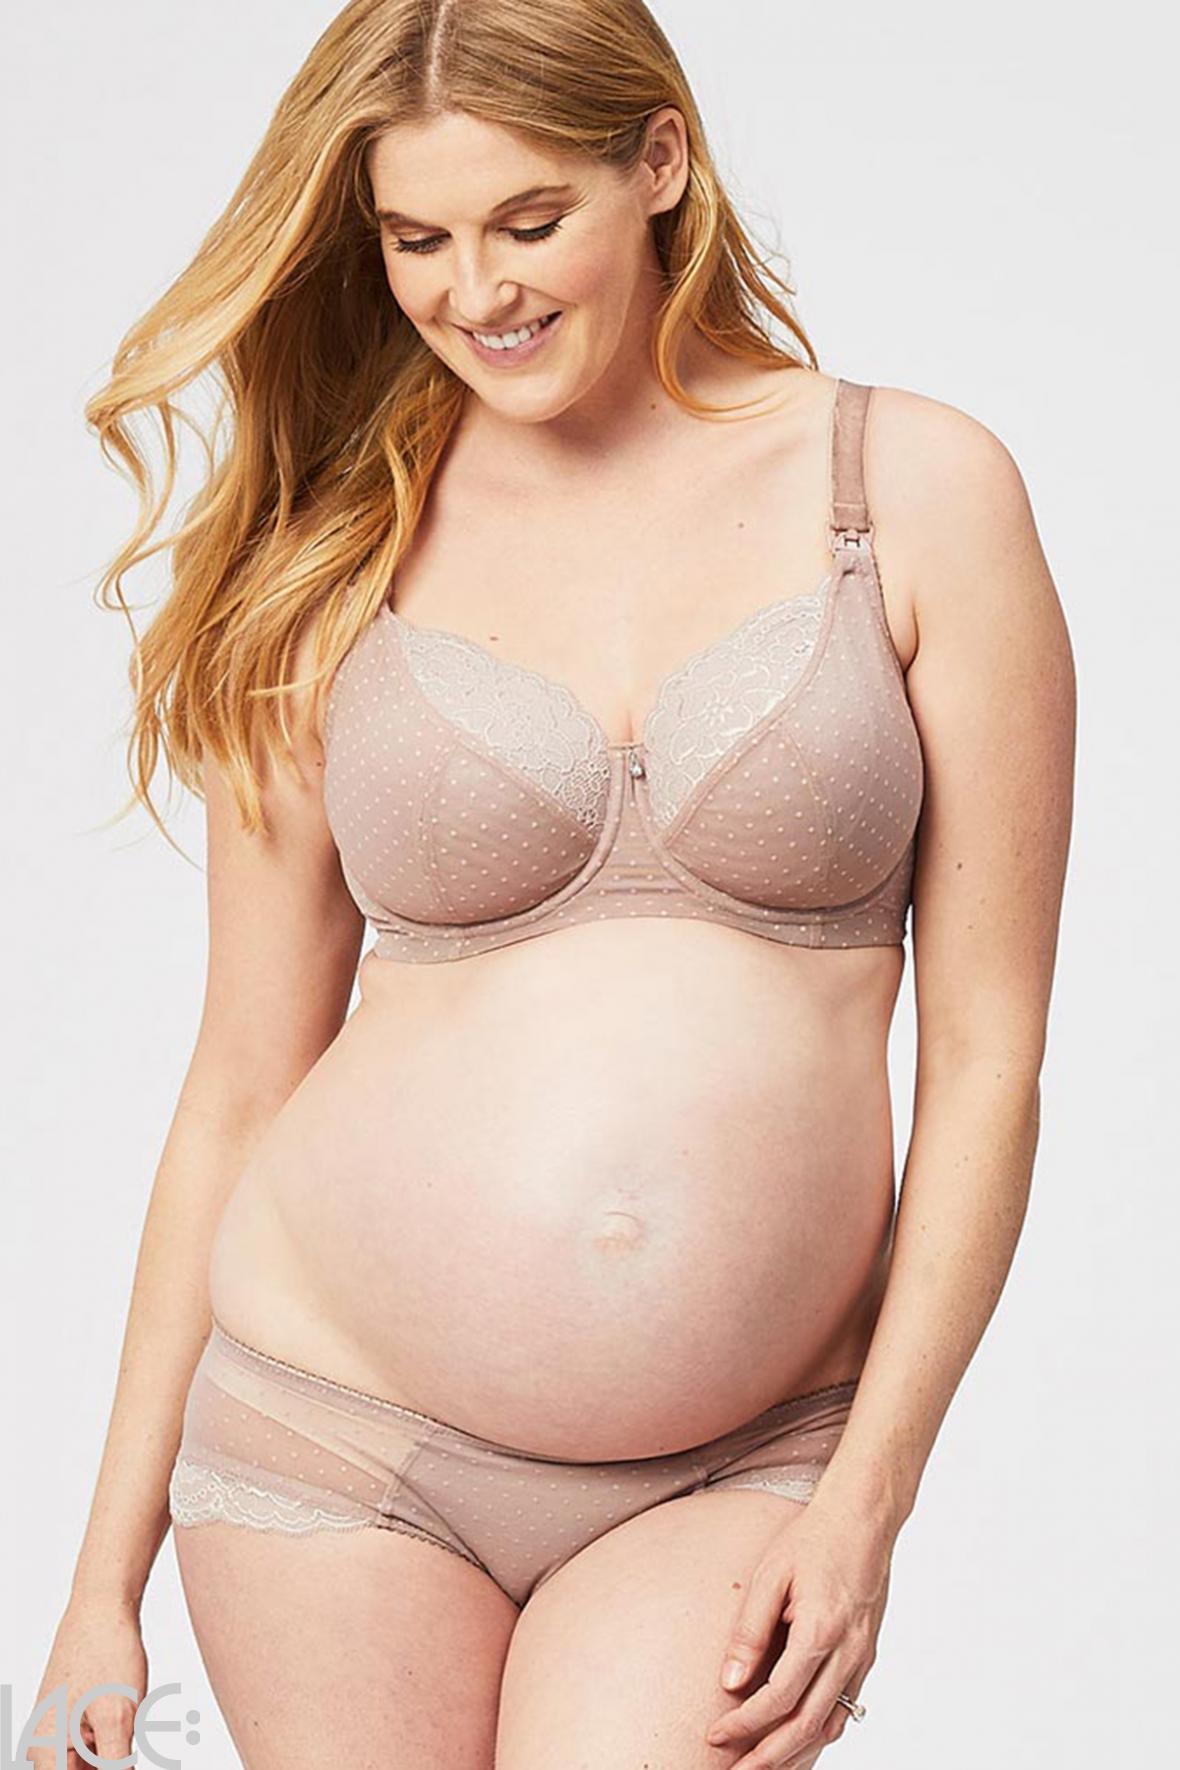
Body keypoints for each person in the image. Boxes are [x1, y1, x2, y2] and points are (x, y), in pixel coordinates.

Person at [32, 2, 1075, 1766]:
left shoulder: (912, 493)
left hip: (738, 1463)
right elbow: (241, 1080)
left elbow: (989, 1059)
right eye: (416, 239)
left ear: (657, 161)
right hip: (331, 1440)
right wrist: (95, 1584)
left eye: (528, 222)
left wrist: (868, 1498)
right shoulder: (332, 550)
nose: (475, 292)